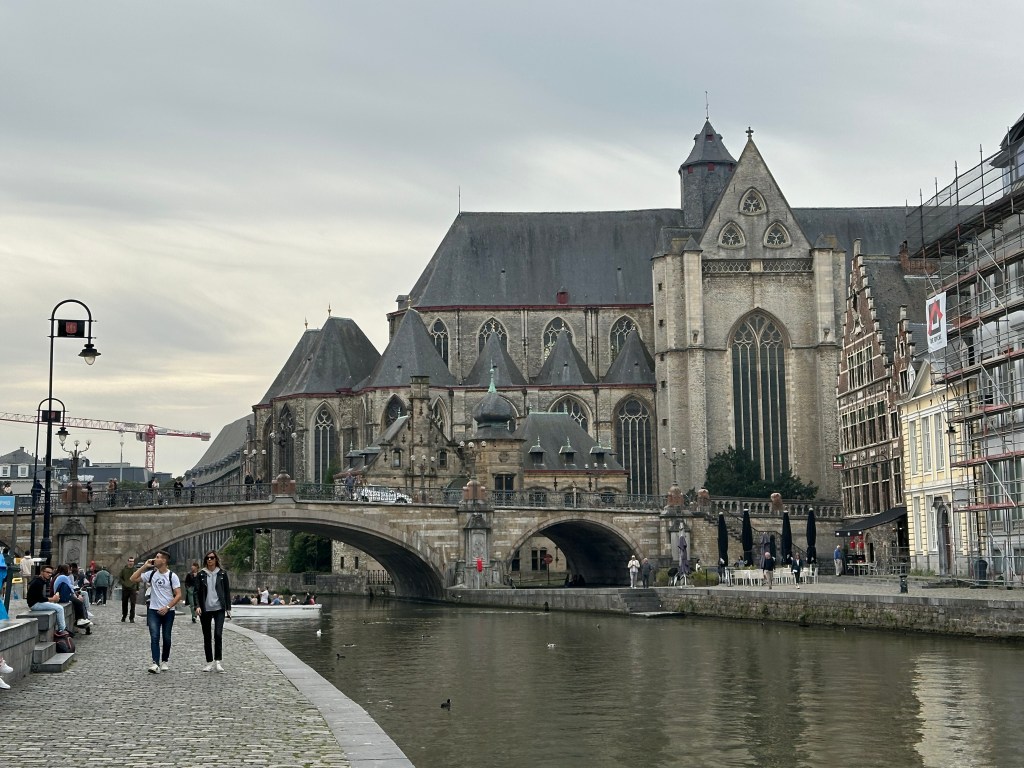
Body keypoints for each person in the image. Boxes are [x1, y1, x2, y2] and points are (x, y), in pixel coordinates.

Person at [131, 551, 182, 674]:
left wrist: (167, 607)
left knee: (166, 637)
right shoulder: (152, 574)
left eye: (157, 557)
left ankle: (164, 660)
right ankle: (155, 663)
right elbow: (133, 578)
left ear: (164, 560)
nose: (154, 559)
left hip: (168, 611)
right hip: (153, 610)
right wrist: (144, 566)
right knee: (154, 636)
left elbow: (178, 595)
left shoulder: (172, 576)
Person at [195, 550, 231, 673]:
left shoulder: (222, 574)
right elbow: (196, 592)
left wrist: (228, 608)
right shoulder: (201, 574)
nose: (209, 560)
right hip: (205, 608)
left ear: (216, 559)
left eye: (212, 558)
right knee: (207, 636)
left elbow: (226, 591)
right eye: (207, 558)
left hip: (219, 608)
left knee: (218, 634)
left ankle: (218, 661)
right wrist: (197, 606)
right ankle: (209, 662)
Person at [27, 564, 69, 633]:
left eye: (51, 573)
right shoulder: (38, 582)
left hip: (36, 603)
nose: (49, 574)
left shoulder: (40, 580)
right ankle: (62, 629)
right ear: (42, 572)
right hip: (35, 604)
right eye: (47, 572)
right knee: (60, 608)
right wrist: (53, 599)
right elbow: (40, 598)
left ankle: (62, 628)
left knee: (58, 607)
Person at [120, 556, 140, 622]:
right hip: (125, 589)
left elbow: (138, 579)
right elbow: (120, 578)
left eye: (132, 561)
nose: (131, 563)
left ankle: (131, 618)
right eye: (130, 561)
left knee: (133, 604)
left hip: (133, 589)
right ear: (128, 562)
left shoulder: (135, 570)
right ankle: (124, 616)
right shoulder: (123, 570)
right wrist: (124, 583)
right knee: (124, 603)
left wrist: (137, 589)